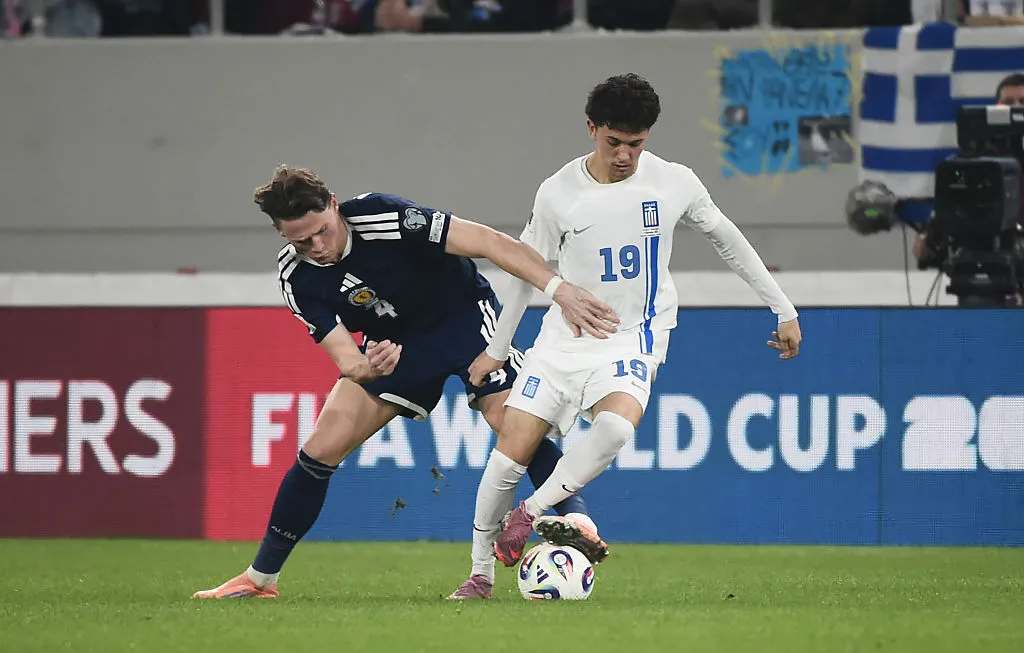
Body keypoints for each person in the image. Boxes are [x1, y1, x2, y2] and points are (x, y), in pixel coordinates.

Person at [193, 165, 619, 600]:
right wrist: (368, 365)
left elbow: (490, 243)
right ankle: (261, 578)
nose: (317, 247)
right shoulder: (296, 277)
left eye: (321, 231)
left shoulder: (385, 217)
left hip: (463, 320)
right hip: (393, 346)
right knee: (319, 450)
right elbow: (347, 360)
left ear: (334, 206)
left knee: (508, 419)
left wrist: (560, 290)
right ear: (283, 236)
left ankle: (577, 522)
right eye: (301, 241)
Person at [449, 73, 803, 596]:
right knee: (509, 455)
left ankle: (532, 510)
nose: (624, 155)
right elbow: (525, 269)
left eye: (635, 144)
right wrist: (497, 350)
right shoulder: (558, 192)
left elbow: (727, 239)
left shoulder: (674, 182)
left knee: (616, 430)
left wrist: (782, 307)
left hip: (633, 337)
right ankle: (479, 575)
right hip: (560, 343)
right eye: (614, 142)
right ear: (591, 128)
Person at [913, 72, 1024, 268]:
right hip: (980, 265)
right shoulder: (974, 164)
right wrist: (928, 240)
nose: (1015, 108)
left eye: (1022, 102)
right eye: (1008, 102)